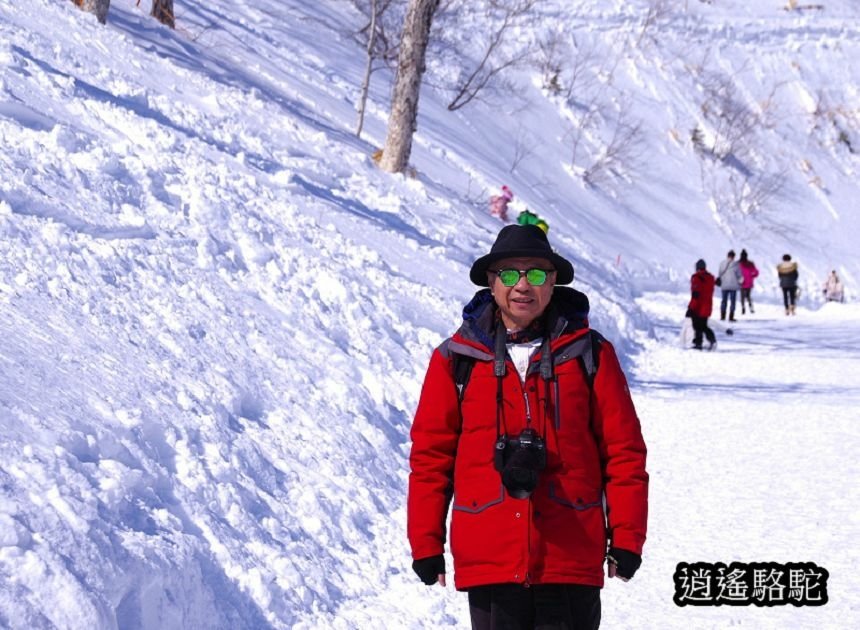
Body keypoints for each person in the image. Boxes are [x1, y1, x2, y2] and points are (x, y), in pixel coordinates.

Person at [408, 225, 648, 630]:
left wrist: (627, 537)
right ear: (491, 280)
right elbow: (431, 458)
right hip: (490, 554)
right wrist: (426, 543)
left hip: (570, 553)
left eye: (536, 273)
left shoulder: (590, 354)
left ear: (553, 282)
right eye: (509, 273)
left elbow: (623, 451)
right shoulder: (456, 359)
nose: (523, 285)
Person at [688, 259, 717, 351]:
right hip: (708, 306)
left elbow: (695, 295)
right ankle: (711, 339)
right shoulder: (710, 278)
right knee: (703, 325)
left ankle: (698, 343)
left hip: (698, 307)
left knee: (697, 326)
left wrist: (691, 308)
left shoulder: (696, 278)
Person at [716, 250, 742, 321]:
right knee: (732, 302)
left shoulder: (722, 263)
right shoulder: (736, 264)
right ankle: (731, 317)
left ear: (727, 255)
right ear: (734, 256)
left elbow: (720, 273)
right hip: (733, 286)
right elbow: (739, 276)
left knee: (724, 301)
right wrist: (741, 282)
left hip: (724, 285)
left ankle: (722, 316)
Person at [737, 249, 759, 315]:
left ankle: (743, 307)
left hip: (741, 282)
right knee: (748, 296)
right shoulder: (750, 263)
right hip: (749, 282)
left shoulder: (738, 263)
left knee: (742, 296)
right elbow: (756, 272)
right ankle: (751, 307)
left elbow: (735, 272)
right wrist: (752, 276)